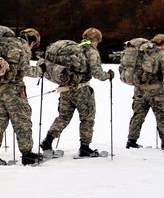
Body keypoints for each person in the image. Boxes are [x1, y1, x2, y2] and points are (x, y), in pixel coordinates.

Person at [39, 27, 113, 157]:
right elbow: (97, 73)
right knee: (87, 118)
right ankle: (85, 147)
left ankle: (48, 140)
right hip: (82, 90)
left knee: (63, 116)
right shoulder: (91, 51)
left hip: (66, 88)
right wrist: (108, 76)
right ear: (95, 40)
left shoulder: (75, 49)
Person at [0, 27, 44, 166]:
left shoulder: (1, 44)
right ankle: (27, 154)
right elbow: (25, 69)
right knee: (22, 122)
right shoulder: (21, 46)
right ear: (32, 42)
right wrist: (40, 70)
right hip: (15, 90)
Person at [126, 34, 164, 150]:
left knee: (138, 115)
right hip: (156, 91)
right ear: (163, 45)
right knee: (161, 116)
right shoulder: (161, 55)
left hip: (139, 90)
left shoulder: (141, 52)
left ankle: (131, 140)